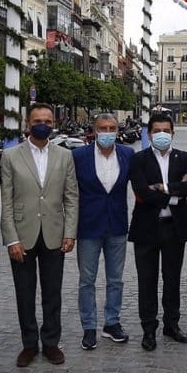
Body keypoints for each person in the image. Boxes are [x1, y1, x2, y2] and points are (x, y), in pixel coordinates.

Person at [0, 102, 80, 367]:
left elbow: (71, 197)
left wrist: (70, 232)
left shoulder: (64, 155)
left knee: (52, 292)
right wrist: (11, 238)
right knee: (24, 292)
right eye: (36, 121)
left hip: (54, 234)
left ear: (53, 123)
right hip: (22, 235)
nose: (42, 124)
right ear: (27, 124)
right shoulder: (10, 156)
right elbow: (6, 201)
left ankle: (50, 343)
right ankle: (29, 344)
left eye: (46, 120)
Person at [130, 112, 187, 351]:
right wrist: (173, 195)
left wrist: (163, 188)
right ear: (149, 134)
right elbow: (141, 192)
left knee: (172, 279)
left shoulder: (183, 157)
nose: (162, 134)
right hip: (146, 228)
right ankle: (148, 329)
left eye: (166, 131)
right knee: (146, 281)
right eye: (157, 131)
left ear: (172, 132)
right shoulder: (138, 159)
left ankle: (172, 324)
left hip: (174, 228)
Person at [70, 112, 134, 351]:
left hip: (117, 224)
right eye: (103, 128)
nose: (107, 133)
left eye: (112, 128)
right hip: (88, 225)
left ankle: (112, 322)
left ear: (117, 131)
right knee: (87, 280)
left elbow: (140, 182)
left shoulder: (128, 154)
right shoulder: (78, 156)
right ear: (94, 130)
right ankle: (89, 327)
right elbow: (69, 191)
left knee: (115, 279)